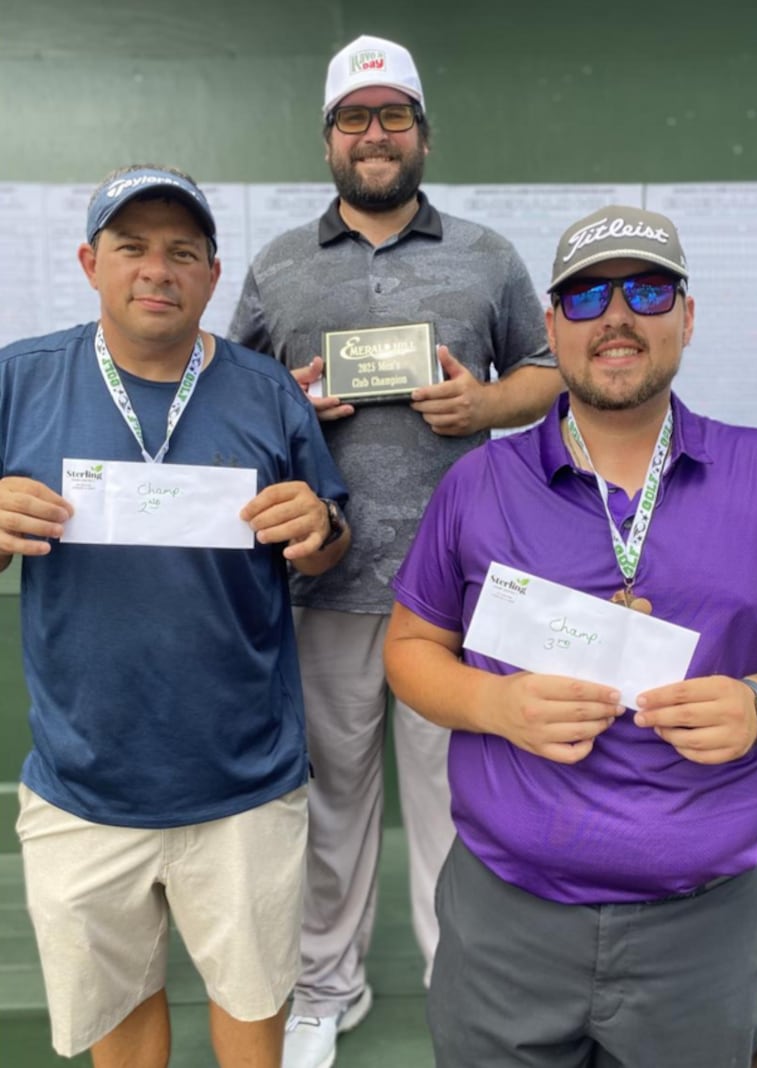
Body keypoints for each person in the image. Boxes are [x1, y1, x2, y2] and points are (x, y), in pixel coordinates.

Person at [384, 203, 757, 1068]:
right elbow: (410, 649)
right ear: (550, 327)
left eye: (648, 292)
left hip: (701, 931)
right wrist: (493, 703)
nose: (616, 317)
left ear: (686, 316)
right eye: (585, 297)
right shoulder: (480, 484)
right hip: (506, 923)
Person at [228, 32, 562, 1068]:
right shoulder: (278, 264)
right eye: (353, 119)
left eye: (392, 116)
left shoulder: (486, 254)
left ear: (420, 131)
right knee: (332, 804)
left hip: (460, 590)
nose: (373, 136)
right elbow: (228, 402)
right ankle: (327, 988)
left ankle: (457, 982)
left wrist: (484, 401)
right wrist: (281, 402)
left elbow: (548, 372)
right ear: (328, 138)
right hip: (320, 583)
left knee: (457, 806)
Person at [0, 164, 351, 1068]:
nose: (157, 269)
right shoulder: (20, 383)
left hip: (245, 782)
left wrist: (319, 527)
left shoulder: (267, 390)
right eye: (133, 247)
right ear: (90, 262)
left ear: (212, 274)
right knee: (120, 1006)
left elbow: (330, 533)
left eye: (182, 252)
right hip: (86, 783)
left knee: (251, 999)